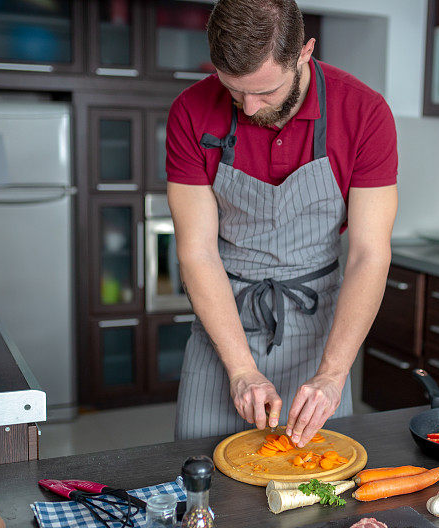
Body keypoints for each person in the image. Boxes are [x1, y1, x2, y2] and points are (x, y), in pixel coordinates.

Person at [166, 0, 398, 447]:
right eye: (235, 91)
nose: (249, 108)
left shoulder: (365, 114)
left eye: (266, 91)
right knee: (202, 481)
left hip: (320, 331)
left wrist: (331, 374)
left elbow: (369, 255)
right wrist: (240, 370)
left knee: (316, 486)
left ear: (305, 53)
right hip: (224, 320)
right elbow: (196, 251)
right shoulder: (190, 111)